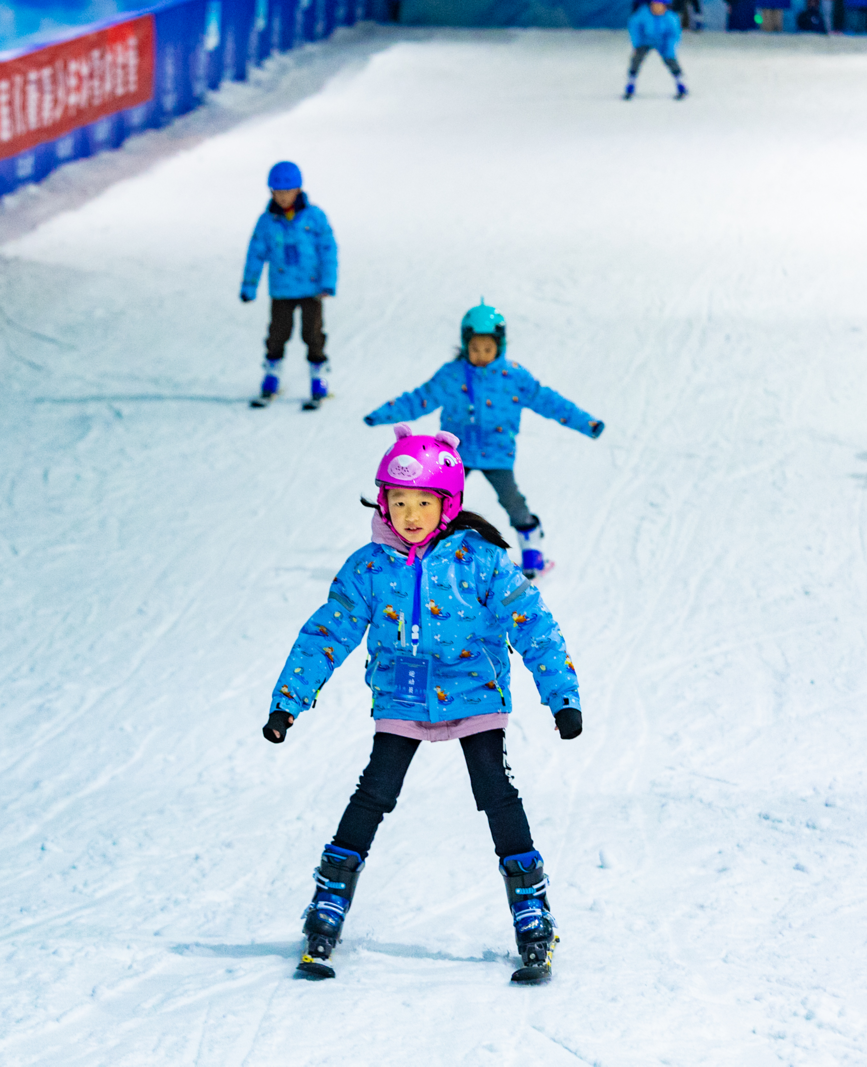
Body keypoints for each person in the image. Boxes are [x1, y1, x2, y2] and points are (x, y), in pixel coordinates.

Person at [262, 424, 584, 984]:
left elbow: (535, 625)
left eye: (424, 503)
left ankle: (531, 909)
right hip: (402, 698)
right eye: (399, 502)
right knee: (374, 792)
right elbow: (326, 633)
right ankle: (330, 898)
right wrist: (288, 701)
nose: (410, 515)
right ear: (384, 502)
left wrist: (562, 698)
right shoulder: (369, 566)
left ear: (449, 503)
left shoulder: (479, 560)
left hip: (473, 693)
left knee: (496, 792)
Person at [363, 302, 604, 578]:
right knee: (440, 501)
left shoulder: (513, 376)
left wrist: (588, 424)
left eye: (487, 349)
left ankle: (531, 548)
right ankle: (431, 551)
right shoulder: (451, 375)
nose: (480, 355)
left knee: (512, 500)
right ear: (465, 345)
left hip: (497, 454)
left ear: (500, 346)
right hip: (453, 456)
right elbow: (419, 399)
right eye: (474, 349)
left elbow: (550, 402)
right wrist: (382, 414)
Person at [241, 160, 339, 409]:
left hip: (312, 289)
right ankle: (272, 374)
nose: (283, 197)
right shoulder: (267, 222)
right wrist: (249, 286)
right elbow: (255, 254)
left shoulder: (314, 217)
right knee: (277, 334)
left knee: (312, 334)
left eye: (288, 191)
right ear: (271, 192)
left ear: (298, 190)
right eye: (278, 192)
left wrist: (328, 282)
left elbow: (328, 249)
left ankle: (318, 377)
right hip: (282, 290)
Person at [624, 0, 688, 99]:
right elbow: (634, 27)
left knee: (670, 60)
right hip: (645, 40)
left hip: (662, 41)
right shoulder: (643, 14)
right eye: (654, 5)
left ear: (665, 6)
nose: (657, 8)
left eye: (660, 5)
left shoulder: (671, 18)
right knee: (636, 59)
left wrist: (669, 49)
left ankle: (680, 84)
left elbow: (673, 35)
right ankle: (630, 84)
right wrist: (638, 43)